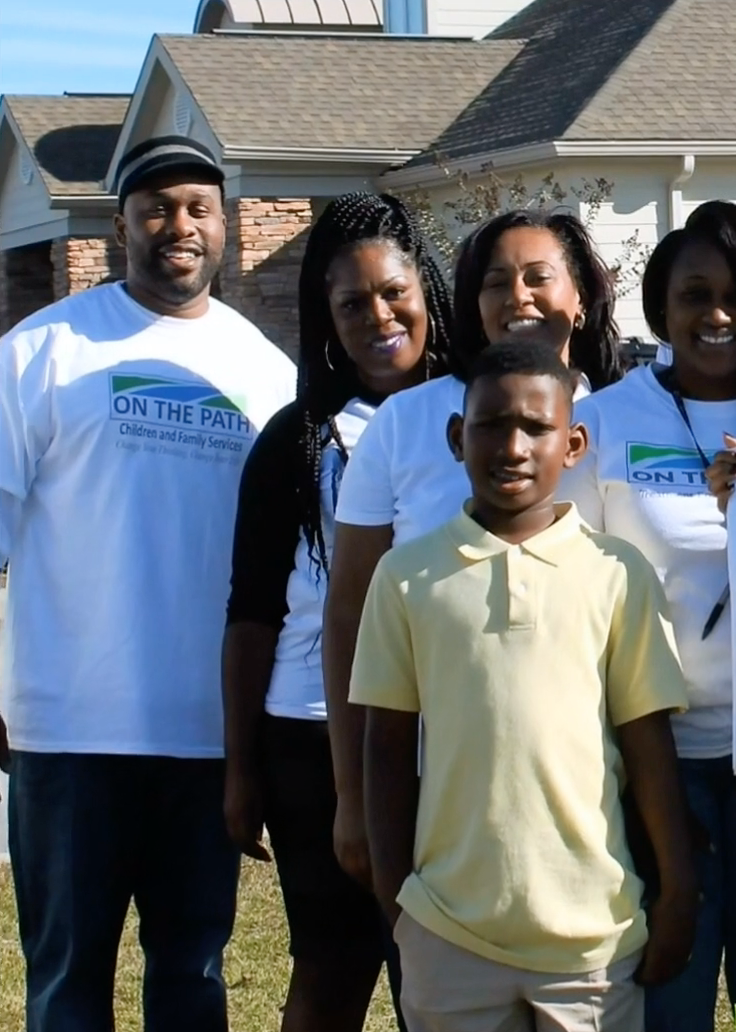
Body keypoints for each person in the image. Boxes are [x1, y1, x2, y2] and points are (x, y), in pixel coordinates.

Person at [0, 134, 296, 1031]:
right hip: (67, 732)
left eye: (200, 208)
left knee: (192, 976)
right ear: (120, 222)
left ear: (228, 226)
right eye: (158, 207)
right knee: (65, 982)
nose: (180, 226)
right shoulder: (42, 350)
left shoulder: (268, 374)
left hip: (209, 738)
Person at [353, 341, 694, 1031]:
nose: (512, 446)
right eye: (491, 425)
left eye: (536, 428)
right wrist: (400, 907)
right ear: (458, 438)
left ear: (572, 446)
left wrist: (679, 888)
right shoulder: (407, 576)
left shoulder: (616, 573)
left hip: (593, 940)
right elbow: (385, 750)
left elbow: (648, 743)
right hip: (448, 936)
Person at [561, 200, 736, 1030]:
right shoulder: (604, 423)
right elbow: (573, 595)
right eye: (694, 295)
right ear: (660, 308)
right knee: (665, 1001)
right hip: (656, 763)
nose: (716, 315)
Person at [323, 208, 629, 899]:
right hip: (435, 776)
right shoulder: (405, 423)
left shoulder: (624, 419)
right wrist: (352, 793)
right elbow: (349, 616)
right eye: (495, 282)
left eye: (537, 277)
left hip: (589, 777)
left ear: (579, 298)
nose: (517, 297)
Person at [222, 192, 453, 1032]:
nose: (377, 317)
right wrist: (243, 764)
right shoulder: (298, 437)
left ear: (426, 287)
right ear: (325, 317)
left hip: (448, 733)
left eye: (393, 293)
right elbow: (250, 611)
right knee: (331, 964)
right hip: (314, 740)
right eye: (350, 304)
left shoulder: (484, 415)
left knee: (434, 965)